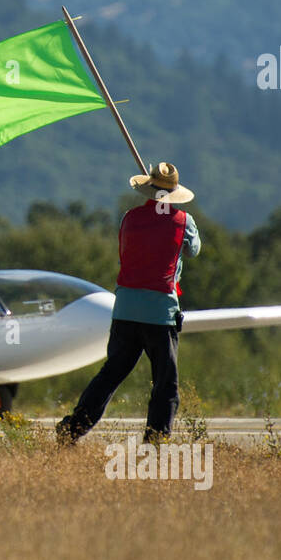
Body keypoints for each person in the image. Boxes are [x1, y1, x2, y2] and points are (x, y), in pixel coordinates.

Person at [57, 162, 200, 445]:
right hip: (160, 312)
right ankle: (156, 439)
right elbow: (194, 251)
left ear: (148, 190)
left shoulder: (129, 218)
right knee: (164, 381)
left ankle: (73, 428)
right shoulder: (184, 221)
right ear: (173, 193)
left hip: (125, 309)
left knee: (111, 374)